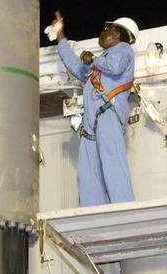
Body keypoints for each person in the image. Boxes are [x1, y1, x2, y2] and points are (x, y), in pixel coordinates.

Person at [47, 11, 137, 206]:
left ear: (118, 34)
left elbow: (114, 66)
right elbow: (75, 66)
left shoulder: (123, 50)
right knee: (88, 171)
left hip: (108, 115)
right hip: (91, 122)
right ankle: (91, 211)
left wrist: (94, 59)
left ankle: (125, 208)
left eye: (108, 29)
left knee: (112, 162)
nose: (103, 32)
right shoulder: (98, 65)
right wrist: (61, 36)